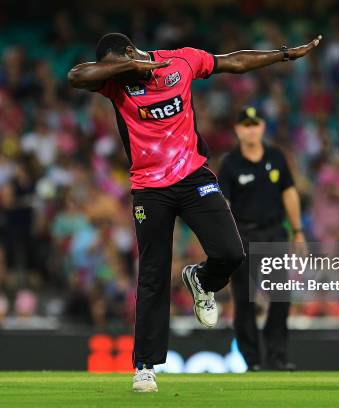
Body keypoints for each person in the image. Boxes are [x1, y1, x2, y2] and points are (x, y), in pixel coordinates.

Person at [68, 32, 321, 392]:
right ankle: (145, 366)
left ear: (128, 50)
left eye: (121, 66)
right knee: (153, 273)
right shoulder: (114, 82)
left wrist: (282, 55)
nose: (118, 76)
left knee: (232, 252)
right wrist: (127, 66)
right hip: (149, 188)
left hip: (193, 177)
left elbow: (233, 61)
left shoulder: (180, 61)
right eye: (114, 71)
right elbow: (76, 76)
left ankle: (202, 280)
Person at [218, 106, 305, 371]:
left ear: (262, 127)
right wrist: (224, 241)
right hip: (243, 235)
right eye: (246, 125)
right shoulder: (230, 164)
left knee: (280, 297)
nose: (251, 129)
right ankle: (252, 360)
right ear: (237, 129)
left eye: (255, 124)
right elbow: (224, 204)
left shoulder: (276, 157)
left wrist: (298, 231)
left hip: (274, 234)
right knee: (245, 300)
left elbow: (289, 193)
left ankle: (277, 356)